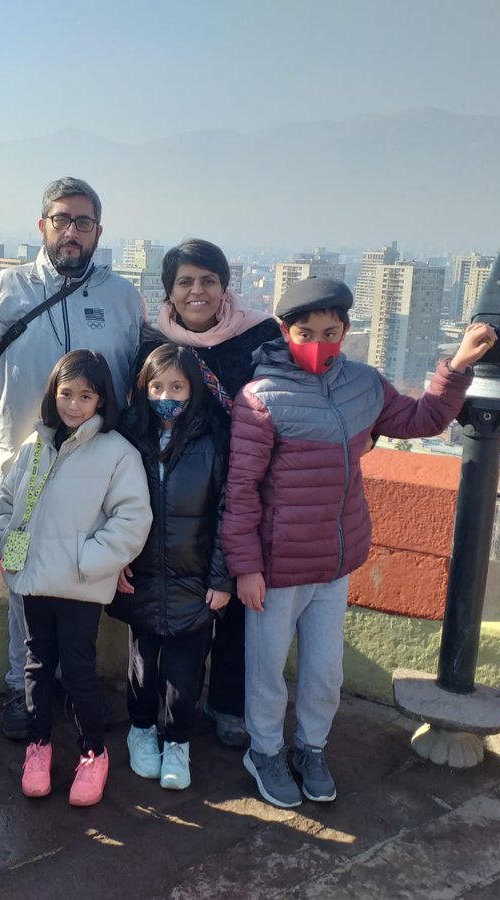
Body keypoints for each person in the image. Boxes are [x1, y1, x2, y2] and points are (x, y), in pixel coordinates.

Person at [222, 277, 497, 809]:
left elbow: (423, 419)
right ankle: (265, 752)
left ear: (346, 330)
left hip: (336, 560)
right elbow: (241, 491)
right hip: (277, 567)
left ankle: (312, 747)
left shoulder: (363, 385)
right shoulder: (259, 399)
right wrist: (246, 567)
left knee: (326, 671)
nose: (319, 342)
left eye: (331, 331)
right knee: (266, 671)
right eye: (306, 332)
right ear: (285, 332)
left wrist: (458, 365)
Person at [0, 177, 146, 740]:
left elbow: (135, 379)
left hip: (97, 471)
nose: (71, 232)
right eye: (61, 220)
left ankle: (73, 686)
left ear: (98, 232)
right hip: (27, 468)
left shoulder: (121, 298)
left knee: (85, 584)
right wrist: (9, 441)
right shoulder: (6, 290)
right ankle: (24, 688)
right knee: (23, 580)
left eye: (83, 222)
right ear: (42, 226)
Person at [0, 350, 152, 807]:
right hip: (33, 577)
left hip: (79, 583)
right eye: (66, 393)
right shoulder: (35, 446)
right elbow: (7, 500)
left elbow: (132, 519)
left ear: (101, 399)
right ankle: (39, 748)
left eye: (86, 395)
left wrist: (88, 560)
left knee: (78, 670)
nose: (74, 405)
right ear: (52, 394)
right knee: (36, 665)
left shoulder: (116, 452)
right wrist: (2, 540)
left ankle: (93, 752)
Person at [140, 238, 282, 748]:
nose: (196, 290)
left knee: (239, 600)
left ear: (224, 287)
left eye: (208, 280)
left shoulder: (260, 336)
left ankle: (227, 703)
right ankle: (161, 707)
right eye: (185, 281)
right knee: (178, 603)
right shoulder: (151, 342)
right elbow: (138, 414)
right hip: (180, 493)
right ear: (169, 291)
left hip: (244, 486)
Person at [110, 343, 232, 791]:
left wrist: (222, 578)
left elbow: (228, 511)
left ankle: (178, 741)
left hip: (196, 579)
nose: (167, 395)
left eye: (177, 386)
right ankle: (141, 731)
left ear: (193, 390)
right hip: (139, 574)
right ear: (143, 389)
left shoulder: (214, 437)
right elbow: (108, 504)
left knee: (185, 673)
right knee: (142, 666)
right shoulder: (127, 435)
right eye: (157, 385)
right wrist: (115, 559)